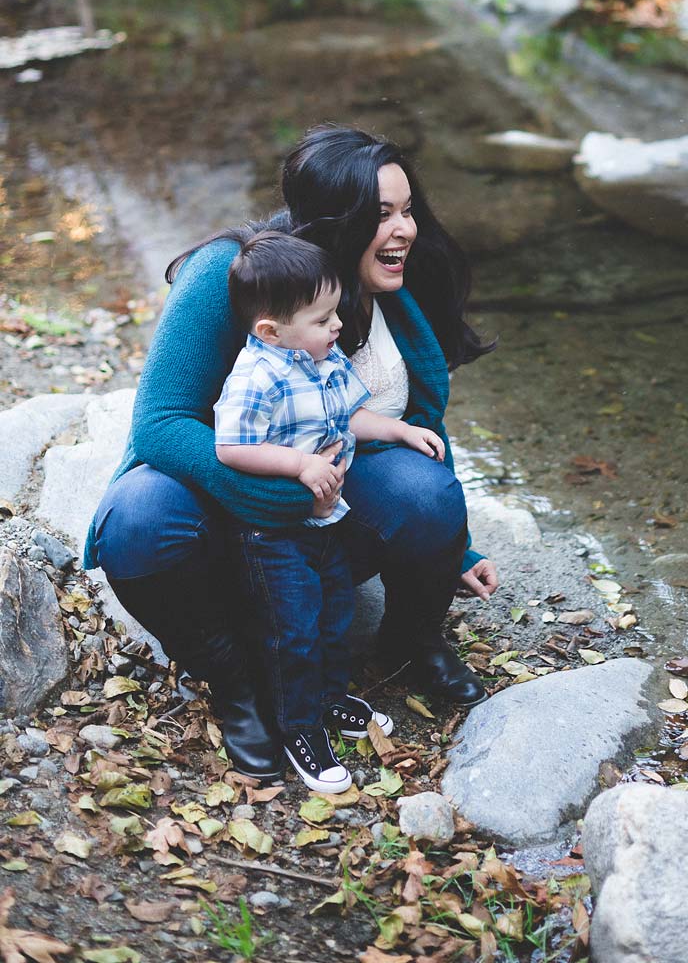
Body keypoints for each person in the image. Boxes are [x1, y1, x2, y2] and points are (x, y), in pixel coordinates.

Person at [84, 125, 500, 783]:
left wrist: (459, 547)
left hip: (329, 496)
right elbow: (161, 422)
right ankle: (235, 686)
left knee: (429, 497)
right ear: (337, 224)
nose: (406, 230)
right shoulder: (233, 273)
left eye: (408, 209)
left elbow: (420, 422)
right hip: (230, 492)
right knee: (138, 524)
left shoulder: (390, 281)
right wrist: (284, 489)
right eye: (382, 214)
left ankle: (411, 640)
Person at [214, 229, 449, 791]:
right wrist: (297, 467)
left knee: (334, 613)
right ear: (272, 331)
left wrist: (396, 428)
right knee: (291, 629)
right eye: (322, 319)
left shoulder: (322, 355)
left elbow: (348, 417)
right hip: (273, 533)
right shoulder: (257, 377)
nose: (337, 324)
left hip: (327, 520)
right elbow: (232, 447)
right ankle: (297, 727)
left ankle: (327, 700)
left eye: (334, 311)